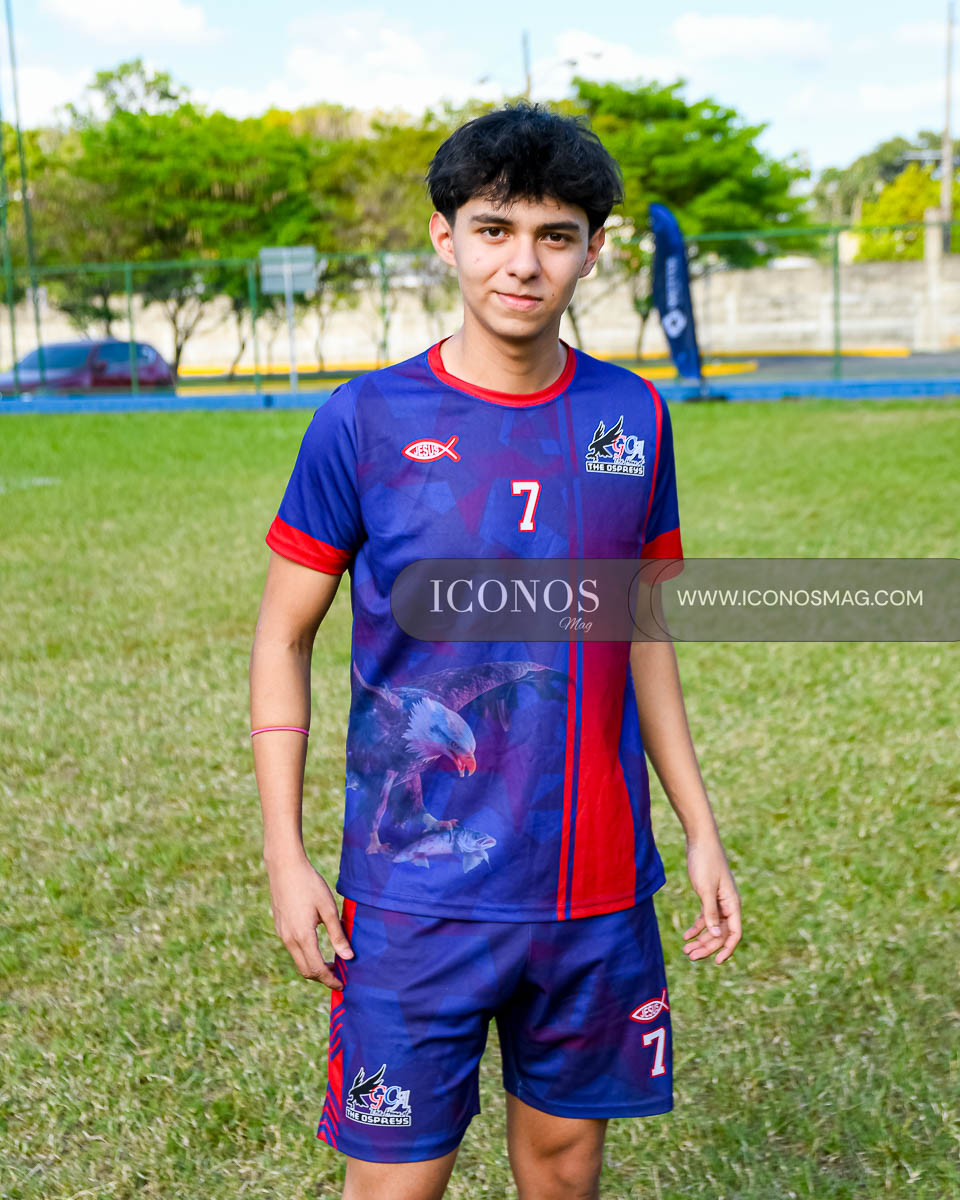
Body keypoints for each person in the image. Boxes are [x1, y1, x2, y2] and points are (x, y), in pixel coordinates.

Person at [249, 101, 741, 1200]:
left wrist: (700, 828)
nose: (523, 263)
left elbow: (642, 636)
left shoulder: (633, 418)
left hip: (594, 885)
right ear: (445, 236)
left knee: (565, 1168)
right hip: (415, 892)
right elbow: (283, 636)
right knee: (396, 1182)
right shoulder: (364, 420)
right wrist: (285, 853)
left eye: (555, 235)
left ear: (593, 251)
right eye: (494, 229)